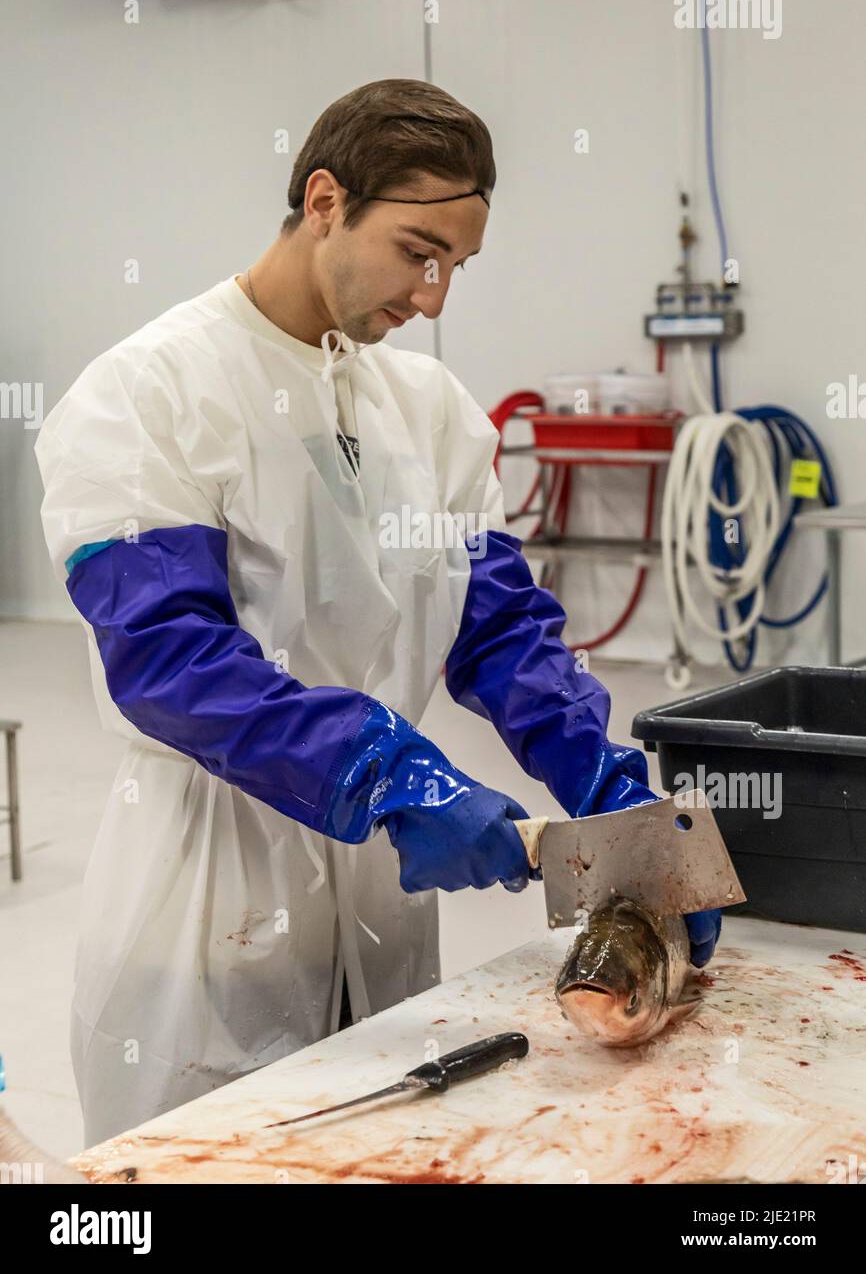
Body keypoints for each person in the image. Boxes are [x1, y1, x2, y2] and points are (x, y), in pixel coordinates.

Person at [35, 78, 720, 1147]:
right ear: (323, 200)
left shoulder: (427, 412)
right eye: (416, 250)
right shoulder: (148, 394)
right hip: (208, 890)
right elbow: (170, 660)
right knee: (214, 1162)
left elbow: (496, 629)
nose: (435, 296)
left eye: (456, 264)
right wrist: (384, 769)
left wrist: (606, 788)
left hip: (377, 895)